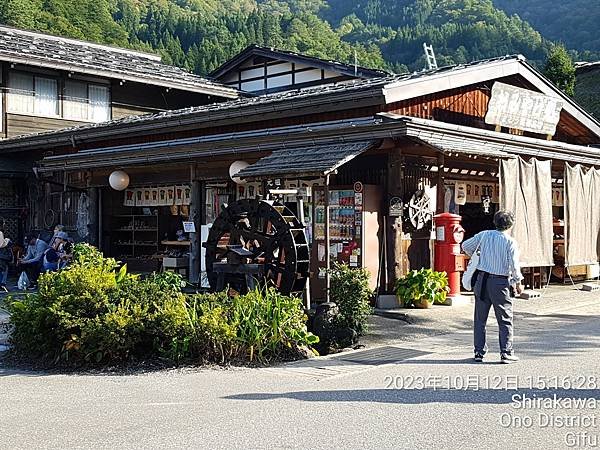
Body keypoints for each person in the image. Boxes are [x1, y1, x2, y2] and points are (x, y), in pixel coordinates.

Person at [461, 210, 524, 364]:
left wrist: (478, 256)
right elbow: (514, 265)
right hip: (500, 282)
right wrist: (518, 282)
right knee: (504, 319)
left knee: (480, 319)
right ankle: (505, 352)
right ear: (510, 225)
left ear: (495, 222)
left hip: (482, 280)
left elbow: (465, 246)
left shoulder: (484, 235)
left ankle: (479, 352)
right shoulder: (510, 242)